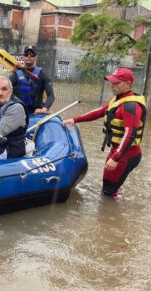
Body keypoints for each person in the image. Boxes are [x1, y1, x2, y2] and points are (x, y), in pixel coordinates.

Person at [62, 68, 147, 197]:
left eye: (117, 83)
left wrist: (116, 158)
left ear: (128, 84)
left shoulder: (131, 106)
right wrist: (75, 120)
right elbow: (99, 112)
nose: (112, 86)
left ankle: (112, 213)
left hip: (127, 154)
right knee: (108, 188)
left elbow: (130, 135)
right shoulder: (118, 100)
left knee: (108, 193)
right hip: (118, 151)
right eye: (112, 82)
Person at [9, 44, 55, 114]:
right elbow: (5, 90)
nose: (29, 56)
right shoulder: (16, 74)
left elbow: (51, 95)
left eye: (32, 54)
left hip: (36, 114)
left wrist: (45, 108)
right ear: (23, 56)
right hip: (18, 113)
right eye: (26, 54)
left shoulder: (41, 74)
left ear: (36, 57)